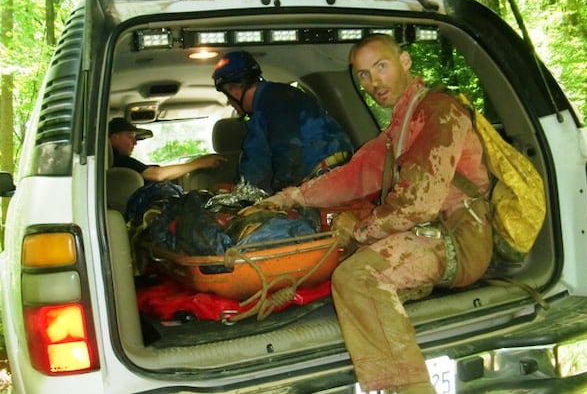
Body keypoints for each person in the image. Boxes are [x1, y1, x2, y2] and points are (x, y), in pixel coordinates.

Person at [255, 34, 493, 393]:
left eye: (380, 67)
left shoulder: (438, 112)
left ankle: (408, 387)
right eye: (363, 75)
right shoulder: (402, 123)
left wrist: (361, 231)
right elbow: (355, 174)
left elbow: (417, 203)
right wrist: (292, 198)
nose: (373, 82)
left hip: (459, 240)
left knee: (356, 278)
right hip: (430, 233)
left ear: (406, 62)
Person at [212, 50, 354, 194]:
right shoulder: (265, 107)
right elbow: (256, 157)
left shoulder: (275, 102)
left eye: (227, 95)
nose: (230, 102)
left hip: (328, 176)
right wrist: (239, 190)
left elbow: (288, 153)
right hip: (329, 174)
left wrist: (281, 197)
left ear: (234, 89)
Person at [109, 117, 226, 182]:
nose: (135, 142)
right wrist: (200, 163)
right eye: (130, 137)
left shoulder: (115, 163)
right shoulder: (121, 161)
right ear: (114, 138)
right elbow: (156, 175)